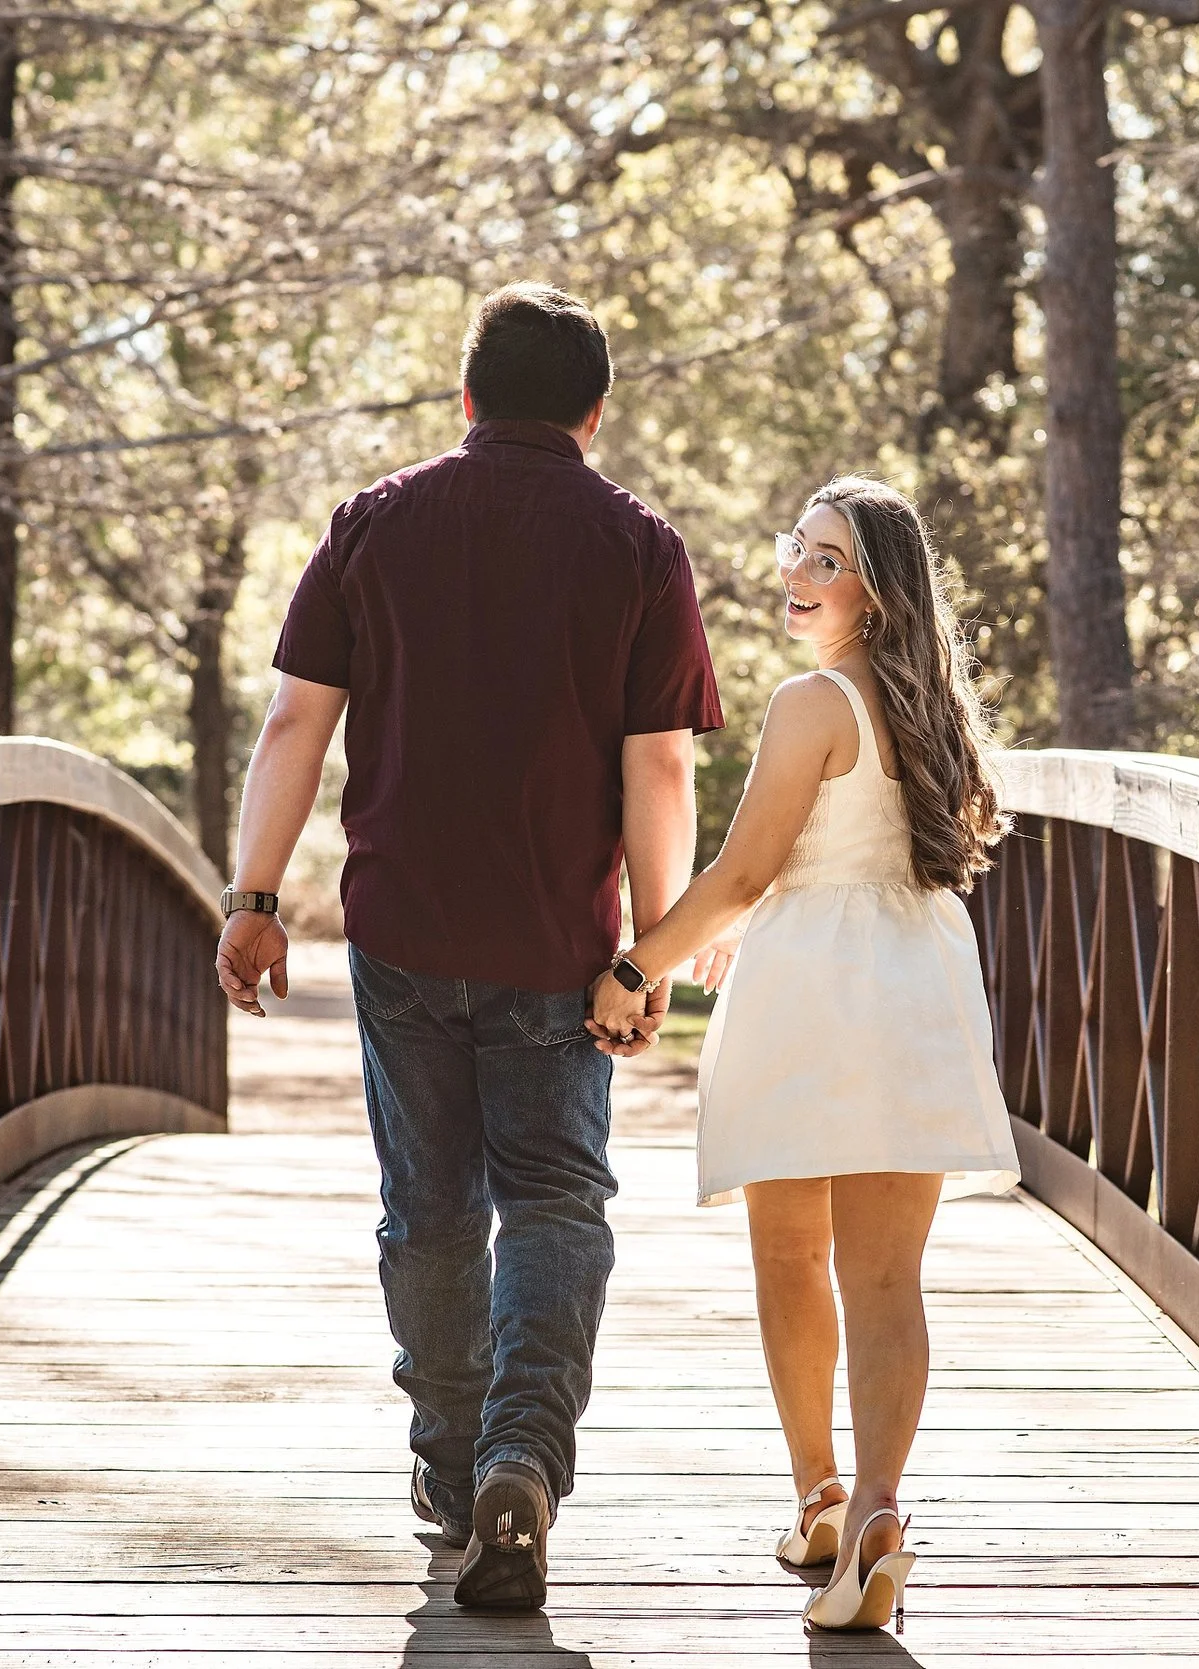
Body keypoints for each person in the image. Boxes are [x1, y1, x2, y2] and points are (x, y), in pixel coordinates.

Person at [215, 282, 722, 1613]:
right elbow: (660, 768)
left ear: (466, 399)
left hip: (403, 929)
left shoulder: (374, 522)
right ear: (594, 416)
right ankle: (521, 1464)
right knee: (555, 1199)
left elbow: (291, 729)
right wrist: (650, 951)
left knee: (430, 1208)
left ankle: (450, 1471)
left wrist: (254, 896)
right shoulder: (639, 547)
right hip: (560, 940)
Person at [586, 476, 1020, 1634]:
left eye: (826, 560)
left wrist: (638, 968)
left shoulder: (809, 701)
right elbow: (851, 852)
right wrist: (732, 929)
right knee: (885, 1276)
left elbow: (745, 871)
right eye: (797, 549)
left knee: (789, 1256)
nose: (796, 574)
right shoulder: (932, 705)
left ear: (875, 593)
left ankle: (821, 1494)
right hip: (916, 978)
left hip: (811, 991)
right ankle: (873, 1518)